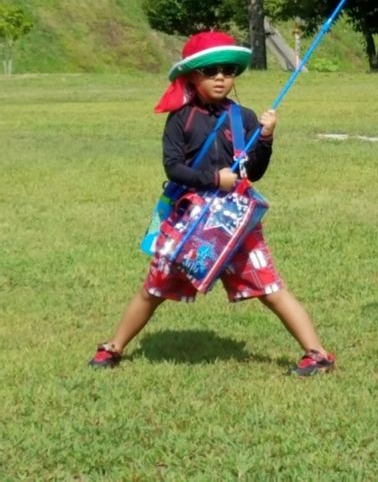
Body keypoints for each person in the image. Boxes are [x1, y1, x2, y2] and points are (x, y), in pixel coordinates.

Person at [89, 30, 334, 377]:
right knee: (153, 289)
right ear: (192, 76)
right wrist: (213, 178)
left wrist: (266, 138)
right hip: (191, 220)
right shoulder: (181, 119)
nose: (221, 78)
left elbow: (256, 170)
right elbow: (173, 167)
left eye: (228, 71)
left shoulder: (244, 117)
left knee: (270, 287)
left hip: (236, 220)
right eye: (211, 71)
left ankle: (317, 353)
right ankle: (113, 348)